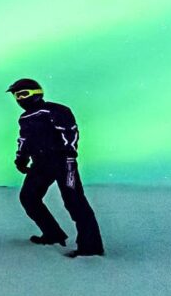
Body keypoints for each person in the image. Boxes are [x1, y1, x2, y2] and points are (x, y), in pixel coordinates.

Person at [7, 78, 104, 258]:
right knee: (28, 197)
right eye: (16, 96)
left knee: (74, 201)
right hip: (40, 163)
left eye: (23, 94)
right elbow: (24, 140)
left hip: (62, 161)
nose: (20, 99)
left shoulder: (55, 110)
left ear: (37, 94)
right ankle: (52, 233)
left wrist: (68, 154)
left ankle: (90, 247)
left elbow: (70, 131)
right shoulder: (25, 118)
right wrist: (21, 159)